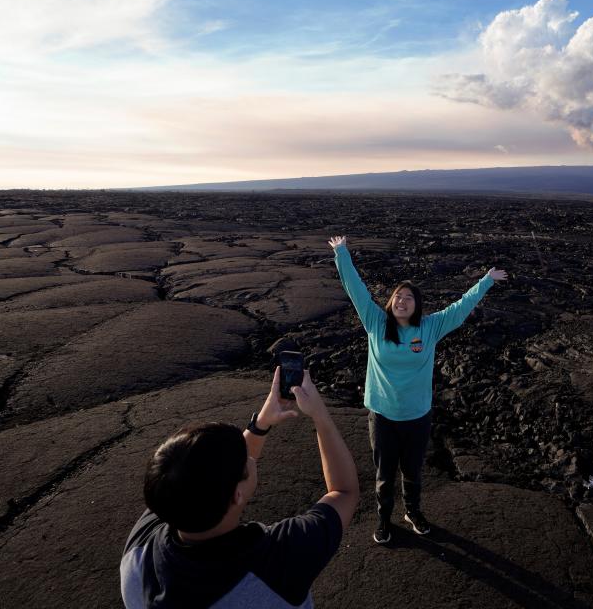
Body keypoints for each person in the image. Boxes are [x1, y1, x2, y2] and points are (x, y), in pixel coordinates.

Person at [119, 368, 358, 608]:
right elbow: (344, 491)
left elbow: (207, 474)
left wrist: (261, 424)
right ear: (237, 494)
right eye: (246, 460)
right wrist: (320, 416)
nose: (250, 456)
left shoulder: (140, 550)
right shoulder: (280, 561)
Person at [328, 235, 507, 544]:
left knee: (412, 471)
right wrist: (341, 253)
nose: (402, 300)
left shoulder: (430, 327)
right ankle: (384, 519)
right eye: (398, 296)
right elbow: (355, 290)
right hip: (383, 415)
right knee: (384, 475)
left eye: (409, 297)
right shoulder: (375, 321)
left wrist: (486, 281)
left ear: (417, 304)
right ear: (390, 302)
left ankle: (412, 512)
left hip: (417, 416)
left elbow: (460, 308)